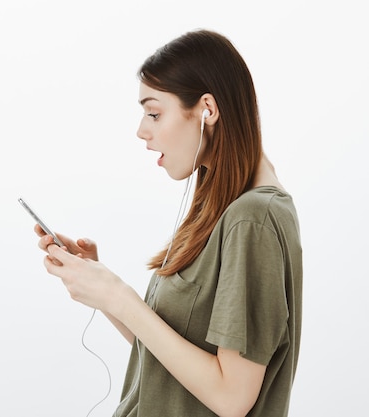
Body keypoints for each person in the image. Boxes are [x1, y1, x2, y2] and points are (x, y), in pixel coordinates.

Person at [32, 29, 302, 417]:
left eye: (154, 113)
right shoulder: (224, 207)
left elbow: (232, 397)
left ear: (207, 109)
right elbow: (170, 359)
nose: (142, 130)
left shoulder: (253, 217)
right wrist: (100, 286)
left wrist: (118, 295)